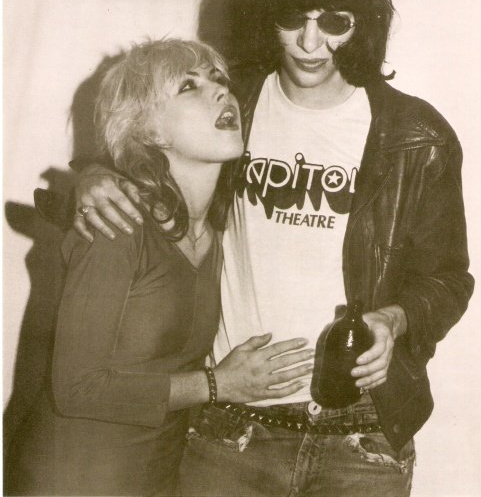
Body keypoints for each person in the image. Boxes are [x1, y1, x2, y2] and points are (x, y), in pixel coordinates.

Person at [56, 0, 473, 497]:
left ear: (363, 22)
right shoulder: (232, 106)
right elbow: (139, 155)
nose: (310, 42)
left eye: (335, 21)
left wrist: (394, 320)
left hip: (362, 437)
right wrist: (93, 175)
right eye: (292, 18)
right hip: (232, 433)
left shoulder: (415, 135)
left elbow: (448, 279)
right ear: (264, 13)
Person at [5, 38, 315, 497]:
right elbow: (76, 388)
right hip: (71, 478)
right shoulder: (118, 224)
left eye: (219, 80)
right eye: (189, 86)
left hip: (157, 476)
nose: (221, 91)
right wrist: (220, 384)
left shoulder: (219, 232)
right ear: (147, 130)